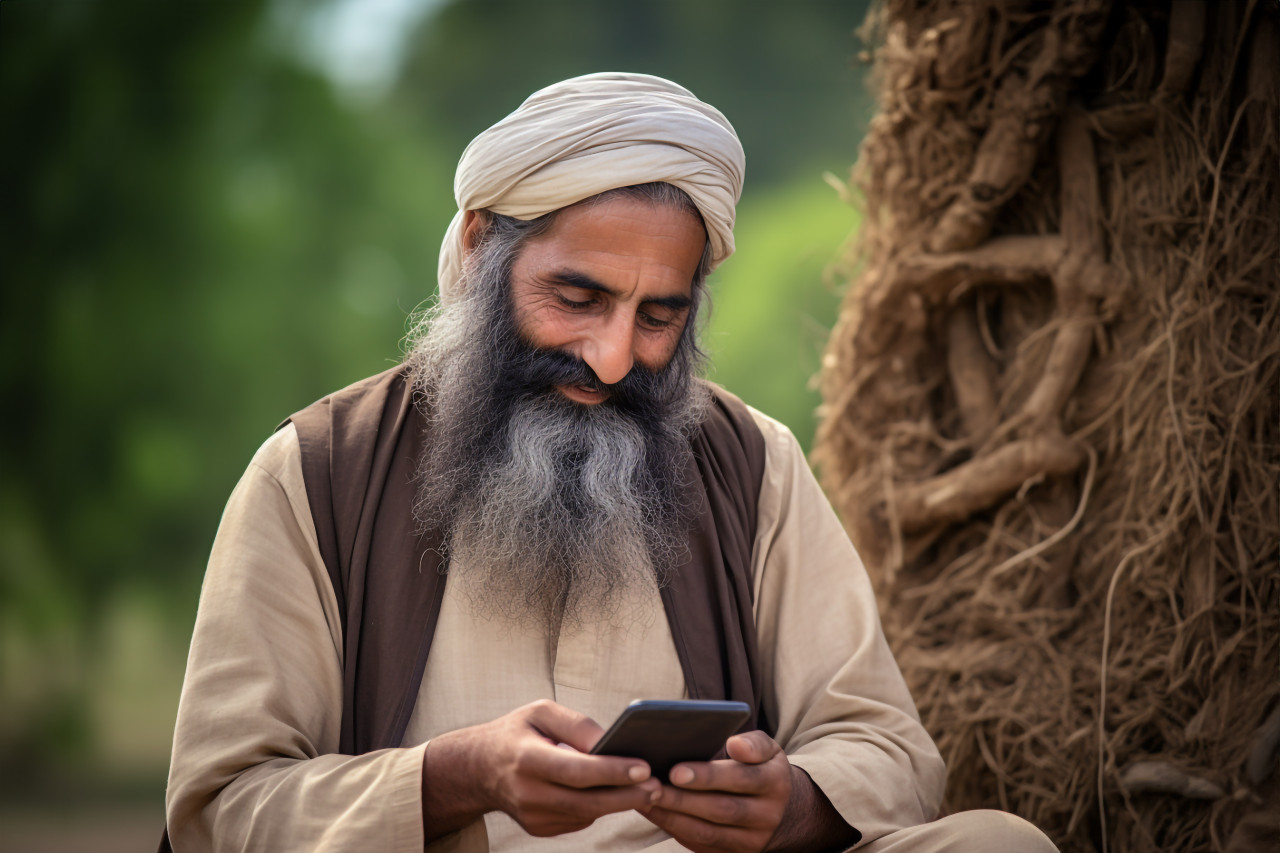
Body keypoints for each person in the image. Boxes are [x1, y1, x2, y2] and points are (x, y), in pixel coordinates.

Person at [164, 73, 1059, 852]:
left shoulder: (753, 464)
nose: (612, 358)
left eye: (658, 316)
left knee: (1000, 843)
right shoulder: (317, 473)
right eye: (578, 296)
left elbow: (890, 751)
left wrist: (791, 803)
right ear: (481, 249)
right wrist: (453, 778)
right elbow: (221, 808)